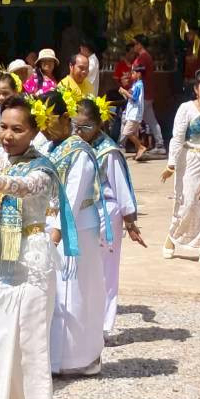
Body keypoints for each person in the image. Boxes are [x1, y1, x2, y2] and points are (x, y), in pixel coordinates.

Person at [0, 95, 68, 399]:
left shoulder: (43, 167)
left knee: (29, 346)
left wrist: (0, 183)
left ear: (33, 131)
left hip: (31, 262)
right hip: (3, 258)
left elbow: (28, 186)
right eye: (3, 127)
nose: (7, 135)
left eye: (17, 129)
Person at [41, 92, 109, 377]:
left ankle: (79, 358)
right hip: (51, 224)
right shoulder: (49, 146)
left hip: (76, 228)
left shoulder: (79, 152)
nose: (45, 128)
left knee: (77, 293)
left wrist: (56, 233)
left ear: (64, 118)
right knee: (55, 293)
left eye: (49, 121)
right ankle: (54, 357)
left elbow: (72, 196)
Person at [74, 98, 144, 336]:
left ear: (99, 124)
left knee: (106, 271)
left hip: (106, 212)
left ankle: (104, 325)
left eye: (85, 127)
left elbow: (120, 187)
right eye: (75, 126)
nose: (79, 131)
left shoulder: (108, 151)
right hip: (83, 212)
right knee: (83, 267)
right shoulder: (75, 145)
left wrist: (130, 221)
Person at [161, 70, 200, 263]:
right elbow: (177, 137)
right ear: (197, 89)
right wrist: (171, 164)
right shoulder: (186, 109)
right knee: (187, 202)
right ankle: (171, 239)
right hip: (189, 159)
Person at [132, 35, 165, 156]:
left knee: (131, 119)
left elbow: (139, 73)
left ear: (140, 44)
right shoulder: (144, 57)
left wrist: (130, 77)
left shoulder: (144, 57)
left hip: (143, 94)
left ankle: (123, 143)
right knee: (151, 120)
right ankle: (160, 145)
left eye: (135, 44)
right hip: (146, 93)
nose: (133, 47)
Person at [119, 66, 148, 161]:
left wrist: (124, 92)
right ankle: (138, 151)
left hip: (135, 113)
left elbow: (134, 98)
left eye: (133, 73)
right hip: (133, 112)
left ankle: (140, 147)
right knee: (134, 133)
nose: (131, 75)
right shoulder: (136, 84)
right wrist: (125, 92)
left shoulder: (139, 85)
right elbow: (131, 95)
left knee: (127, 132)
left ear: (138, 74)